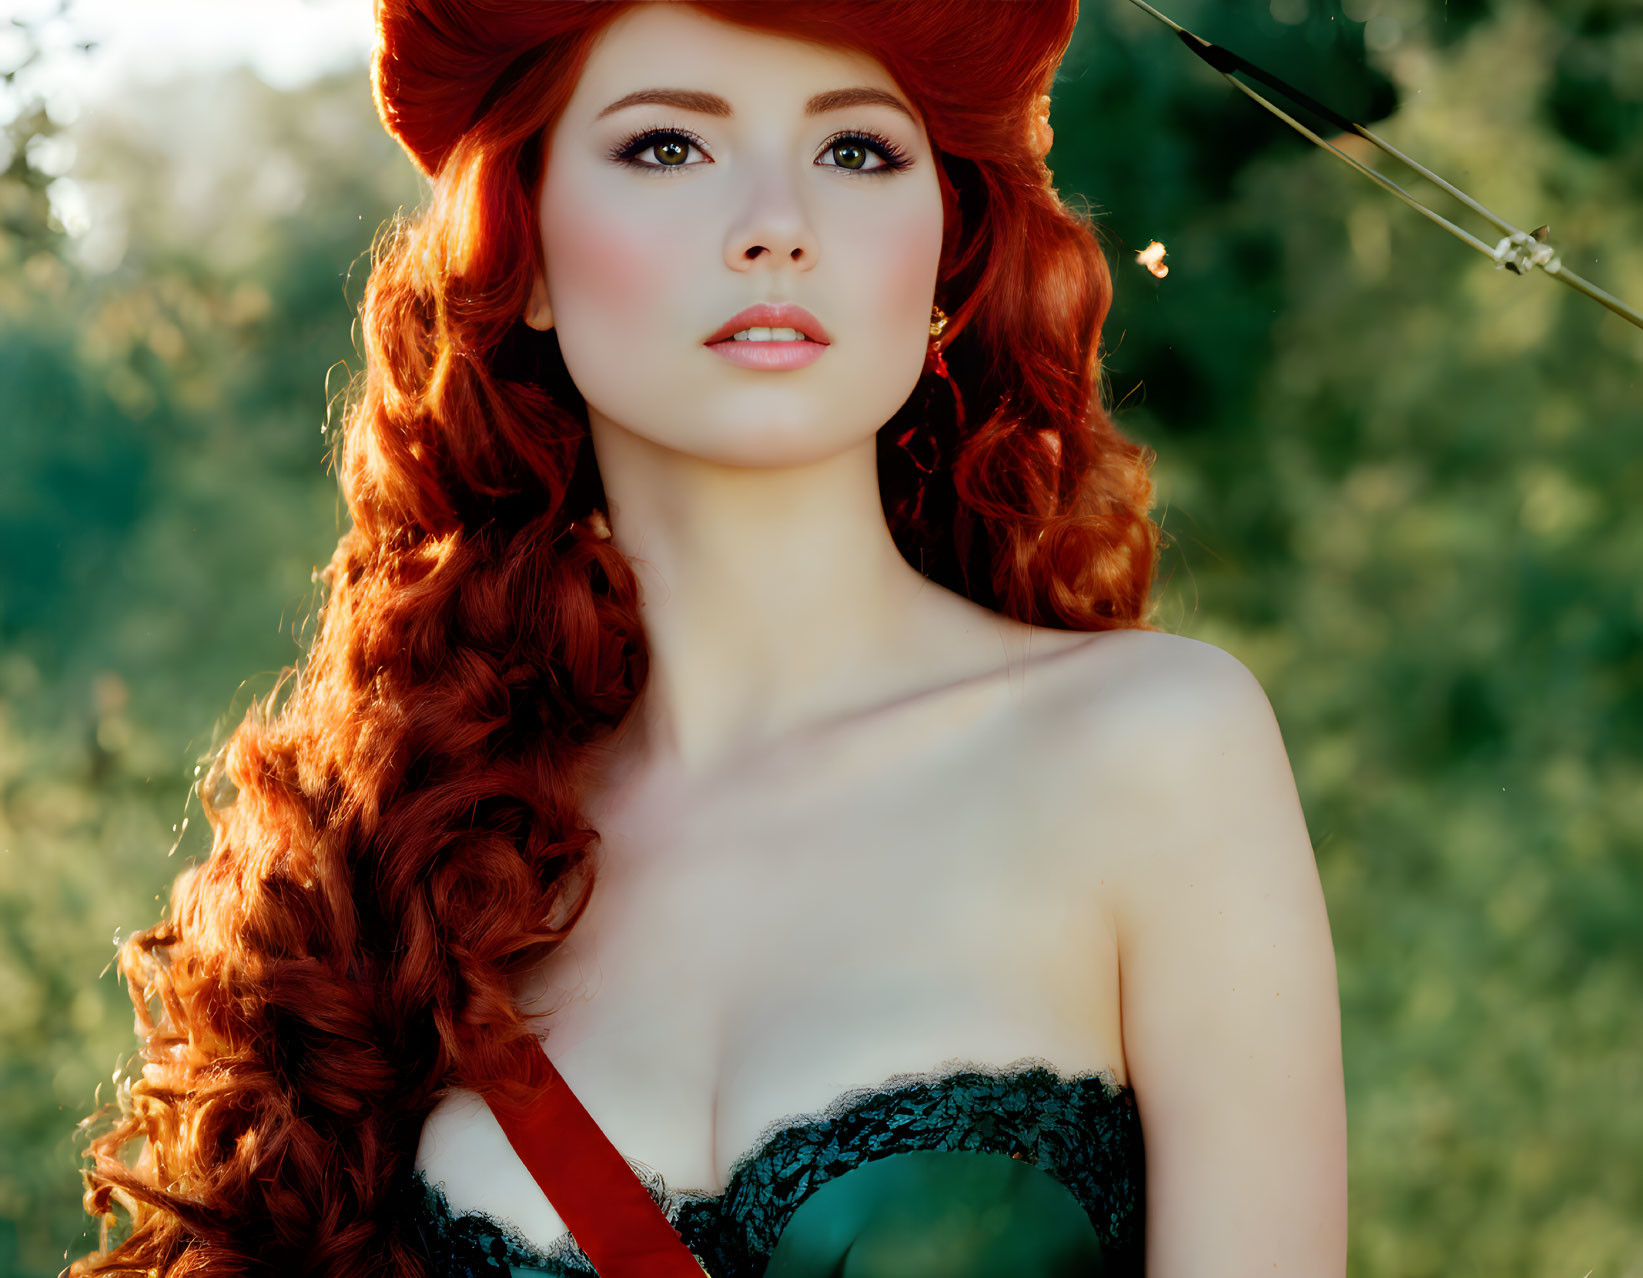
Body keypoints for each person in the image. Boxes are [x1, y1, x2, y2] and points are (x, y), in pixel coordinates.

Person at [65, 2, 1348, 1276]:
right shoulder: (396, 873)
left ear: (949, 255)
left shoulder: (1151, 748)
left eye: (856, 151)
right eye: (667, 148)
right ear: (527, 254)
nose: (776, 228)